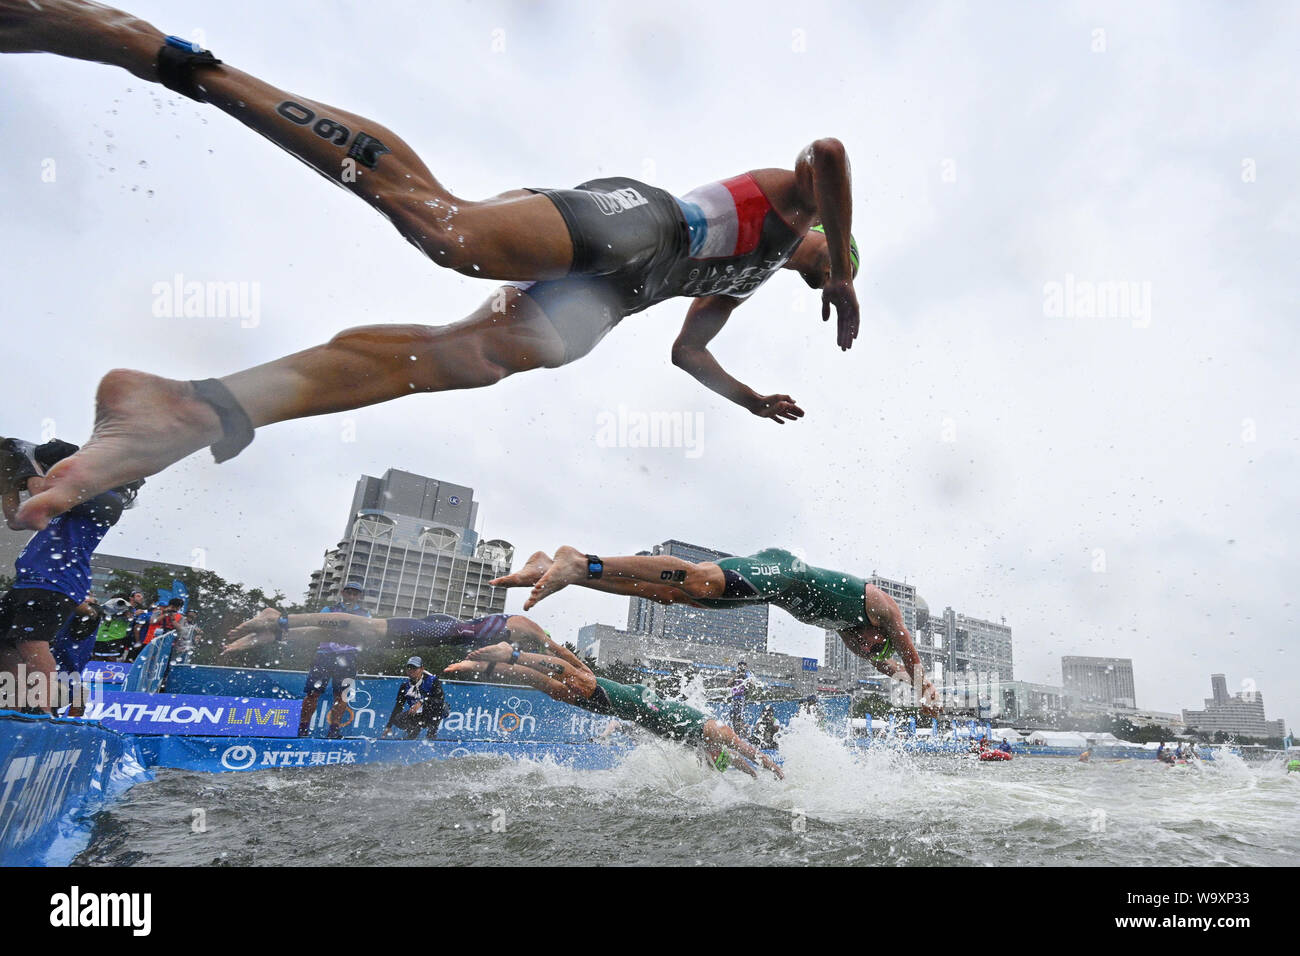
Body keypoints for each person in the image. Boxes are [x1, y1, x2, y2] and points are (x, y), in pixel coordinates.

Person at [2, 0, 862, 533]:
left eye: (828, 276)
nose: (827, 274)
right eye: (834, 262)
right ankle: (164, 53)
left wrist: (752, 400)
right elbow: (829, 147)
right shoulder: (796, 205)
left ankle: (189, 409)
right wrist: (847, 265)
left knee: (469, 358)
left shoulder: (749, 281)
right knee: (450, 232)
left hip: (615, 300)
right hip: (637, 225)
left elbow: (688, 354)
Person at [223, 606, 782, 778]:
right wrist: (503, 656)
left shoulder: (569, 676)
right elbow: (547, 657)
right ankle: (279, 624)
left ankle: (280, 624)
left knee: (554, 677)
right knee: (356, 627)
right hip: (494, 638)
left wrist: (498, 660)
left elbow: (548, 665)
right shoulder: (523, 639)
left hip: (499, 642)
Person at [493, 546, 940, 716]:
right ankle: (583, 563)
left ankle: (568, 569)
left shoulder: (850, 636)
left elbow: (892, 666)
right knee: (697, 579)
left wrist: (907, 682)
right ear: (874, 628)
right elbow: (907, 652)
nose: (865, 646)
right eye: (870, 640)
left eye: (866, 647)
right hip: (782, 569)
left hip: (766, 593)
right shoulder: (879, 607)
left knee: (674, 595)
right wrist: (923, 683)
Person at [445, 630, 784, 780]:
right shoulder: (716, 730)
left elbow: (736, 765)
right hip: (626, 699)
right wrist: (778, 774)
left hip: (616, 705)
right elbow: (748, 751)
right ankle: (513, 652)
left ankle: (481, 666)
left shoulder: (701, 746)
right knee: (573, 675)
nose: (715, 758)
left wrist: (753, 781)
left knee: (549, 684)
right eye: (715, 756)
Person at [0, 437, 142, 710]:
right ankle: (13, 708)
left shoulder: (106, 499)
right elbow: (16, 520)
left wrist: (28, 461)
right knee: (5, 643)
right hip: (30, 581)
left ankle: (41, 713)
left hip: (56, 583)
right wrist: (9, 485)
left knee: (32, 643)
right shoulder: (72, 496)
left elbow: (40, 488)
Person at [298, 583, 371, 738]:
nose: (351, 596)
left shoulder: (365, 614)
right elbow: (318, 627)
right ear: (342, 593)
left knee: (341, 695)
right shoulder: (328, 610)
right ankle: (303, 728)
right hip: (324, 655)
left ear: (359, 596)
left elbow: (367, 633)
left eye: (355, 594)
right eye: (349, 593)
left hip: (348, 657)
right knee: (312, 693)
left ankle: (334, 729)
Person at [383, 656, 448, 740]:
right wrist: (389, 726)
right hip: (417, 715)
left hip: (432, 713)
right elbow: (399, 706)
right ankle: (413, 732)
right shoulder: (405, 686)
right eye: (409, 667)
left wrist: (422, 702)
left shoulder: (432, 681)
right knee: (397, 719)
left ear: (421, 669)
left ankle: (431, 735)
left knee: (442, 707)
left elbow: (440, 700)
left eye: (414, 668)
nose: (411, 670)